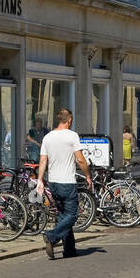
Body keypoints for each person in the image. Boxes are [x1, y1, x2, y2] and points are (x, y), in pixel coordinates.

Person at [35, 108, 92, 259]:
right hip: (67, 182)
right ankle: (51, 236)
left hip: (53, 182)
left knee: (62, 215)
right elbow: (80, 159)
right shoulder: (72, 136)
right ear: (69, 120)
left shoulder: (47, 137)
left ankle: (69, 250)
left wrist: (40, 180)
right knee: (72, 215)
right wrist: (88, 176)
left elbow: (42, 161)